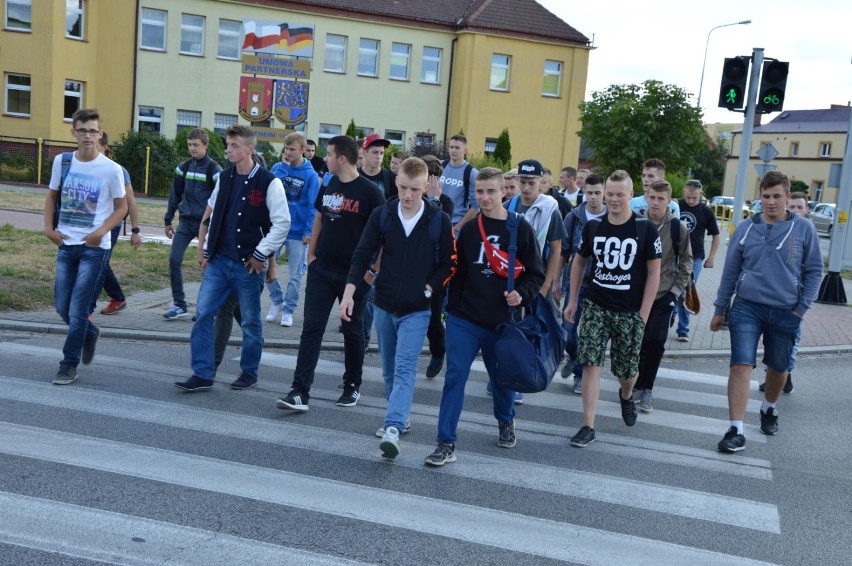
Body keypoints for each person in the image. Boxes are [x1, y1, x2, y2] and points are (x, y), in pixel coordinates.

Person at [424, 168, 544, 466]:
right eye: (480, 192)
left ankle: (505, 420)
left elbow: (534, 274)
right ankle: (445, 442)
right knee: (455, 378)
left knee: (502, 381)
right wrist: (451, 309)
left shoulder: (520, 228)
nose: (485, 197)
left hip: (502, 322)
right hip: (464, 319)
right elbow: (457, 271)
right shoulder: (469, 229)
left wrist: (522, 295)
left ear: (505, 191)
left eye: (491, 191)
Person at [340, 157, 454, 459]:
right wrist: (350, 292)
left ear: (427, 185)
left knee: (405, 368)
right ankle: (399, 414)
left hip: (417, 309)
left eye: (415, 189)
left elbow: (449, 264)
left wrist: (429, 288)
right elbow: (362, 253)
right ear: (397, 182)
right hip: (384, 305)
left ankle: (393, 426)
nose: (407, 195)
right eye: (403, 187)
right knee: (389, 369)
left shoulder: (438, 220)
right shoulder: (383, 215)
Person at [711, 171, 822, 453]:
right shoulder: (746, 228)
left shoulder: (804, 229)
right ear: (759, 196)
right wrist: (719, 308)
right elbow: (730, 271)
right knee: (740, 364)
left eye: (777, 197)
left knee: (779, 367)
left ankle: (769, 408)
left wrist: (801, 308)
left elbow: (814, 271)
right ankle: (735, 429)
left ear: (787, 197)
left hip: (787, 310)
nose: (771, 202)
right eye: (766, 196)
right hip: (747, 307)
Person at [174, 125, 290, 392]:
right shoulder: (224, 178)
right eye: (228, 144)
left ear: (250, 149)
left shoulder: (269, 181)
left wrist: (263, 255)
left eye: (234, 145)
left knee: (250, 320)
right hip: (219, 261)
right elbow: (212, 213)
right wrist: (204, 248)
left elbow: (282, 223)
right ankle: (203, 373)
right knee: (203, 313)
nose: (228, 149)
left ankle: (249, 371)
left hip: (248, 264)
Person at [276, 135, 386, 412]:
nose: (324, 158)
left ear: (342, 158)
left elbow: (386, 237)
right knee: (311, 329)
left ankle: (352, 385)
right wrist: (312, 257)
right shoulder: (329, 183)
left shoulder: (371, 193)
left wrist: (372, 272)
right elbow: (320, 217)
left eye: (328, 154)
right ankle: (299, 391)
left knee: (353, 331)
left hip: (355, 276)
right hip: (322, 270)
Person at [563, 170, 661, 448]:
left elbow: (654, 273)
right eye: (611, 193)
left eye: (620, 194)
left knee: (626, 372)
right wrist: (572, 301)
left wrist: (644, 313)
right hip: (596, 305)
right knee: (591, 364)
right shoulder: (594, 227)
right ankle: (587, 425)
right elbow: (578, 262)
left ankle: (627, 395)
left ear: (631, 195)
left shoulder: (645, 229)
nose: (615, 199)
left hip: (630, 310)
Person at [44, 108, 127, 385]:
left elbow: (122, 207)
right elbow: (51, 196)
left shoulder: (111, 169)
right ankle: (89, 333)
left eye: (93, 131)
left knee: (78, 309)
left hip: (95, 247)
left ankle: (68, 364)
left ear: (100, 134)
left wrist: (100, 232)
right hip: (66, 243)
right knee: (61, 307)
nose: (88, 135)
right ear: (74, 133)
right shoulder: (62, 162)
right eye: (83, 130)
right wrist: (48, 228)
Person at [632, 180, 692, 413]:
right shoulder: (635, 222)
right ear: (646, 197)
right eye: (652, 198)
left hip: (663, 293)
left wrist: (675, 292)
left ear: (669, 201)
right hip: (635, 293)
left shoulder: (677, 227)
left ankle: (646, 387)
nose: (655, 203)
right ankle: (632, 385)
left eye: (661, 199)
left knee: (655, 342)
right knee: (635, 342)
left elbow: (686, 261)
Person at [163, 128, 222, 320]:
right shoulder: (184, 167)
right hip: (185, 222)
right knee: (174, 260)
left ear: (205, 145)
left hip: (206, 225)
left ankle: (207, 308)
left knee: (208, 265)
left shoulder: (215, 170)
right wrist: (168, 220)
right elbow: (175, 194)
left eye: (196, 145)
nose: (192, 148)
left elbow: (220, 200)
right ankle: (180, 305)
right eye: (189, 145)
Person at [757, 191, 812, 395]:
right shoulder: (781, 229)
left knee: (793, 338)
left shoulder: (807, 232)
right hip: (775, 296)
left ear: (806, 210)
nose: (796, 210)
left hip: (796, 299)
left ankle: (786, 373)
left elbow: (811, 268)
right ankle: (777, 374)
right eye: (793, 207)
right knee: (772, 339)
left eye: (800, 207)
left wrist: (803, 302)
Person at [266, 133, 320, 327]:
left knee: (295, 275)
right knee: (264, 266)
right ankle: (277, 301)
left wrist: (309, 231)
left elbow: (314, 206)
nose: (288, 153)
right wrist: (285, 168)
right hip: (277, 228)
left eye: (292, 149)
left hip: (298, 232)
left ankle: (288, 310)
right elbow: (272, 189)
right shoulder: (278, 168)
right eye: (286, 149)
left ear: (302, 150)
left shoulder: (311, 175)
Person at [559, 173, 606, 394]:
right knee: (568, 328)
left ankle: (579, 374)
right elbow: (563, 251)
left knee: (588, 333)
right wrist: (557, 282)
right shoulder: (574, 217)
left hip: (600, 285)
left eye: (598, 193)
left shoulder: (611, 217)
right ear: (583, 192)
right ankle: (573, 354)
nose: (594, 197)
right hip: (575, 283)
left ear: (604, 192)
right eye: (590, 193)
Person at [92, 131, 142, 316]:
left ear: (105, 148)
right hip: (90, 223)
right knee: (98, 262)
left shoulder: (118, 170)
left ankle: (88, 306)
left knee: (99, 263)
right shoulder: (86, 168)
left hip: (111, 225)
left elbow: (131, 202)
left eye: (97, 147)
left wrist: (135, 230)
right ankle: (117, 297)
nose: (92, 151)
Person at [358, 134, 398, 346]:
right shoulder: (354, 176)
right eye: (374, 152)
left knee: (369, 294)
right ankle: (355, 336)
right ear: (364, 153)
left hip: (379, 244)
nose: (379, 157)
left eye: (382, 153)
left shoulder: (390, 179)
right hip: (354, 242)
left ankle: (363, 339)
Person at [420, 154, 455, 378]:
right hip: (412, 267)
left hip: (436, 272)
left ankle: (438, 351)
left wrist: (435, 200)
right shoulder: (411, 197)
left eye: (433, 178)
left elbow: (437, 228)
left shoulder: (446, 203)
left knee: (433, 319)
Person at [675, 179, 720, 342]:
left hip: (695, 257)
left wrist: (712, 257)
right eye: (688, 197)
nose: (691, 201)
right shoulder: (676, 205)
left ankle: (683, 329)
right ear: (684, 192)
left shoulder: (705, 211)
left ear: (700, 194)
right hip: (675, 255)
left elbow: (716, 235)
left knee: (687, 291)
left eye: (694, 198)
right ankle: (669, 317)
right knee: (671, 289)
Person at [439, 135, 479, 233]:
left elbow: (476, 206)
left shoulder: (472, 173)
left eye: (457, 148)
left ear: (465, 150)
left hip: (455, 224)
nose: (453, 150)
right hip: (436, 220)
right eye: (451, 147)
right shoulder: (439, 166)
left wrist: (458, 227)